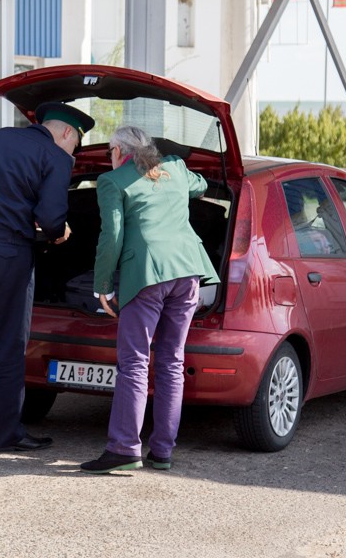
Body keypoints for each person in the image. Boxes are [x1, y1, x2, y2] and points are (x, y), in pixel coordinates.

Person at [0, 100, 94, 452]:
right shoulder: (57, 157)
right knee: (8, 342)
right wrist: (60, 232)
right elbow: (51, 217)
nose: (74, 151)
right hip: (8, 252)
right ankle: (8, 432)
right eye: (76, 143)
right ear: (66, 132)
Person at [79, 125, 217, 474]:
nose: (107, 157)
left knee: (135, 362)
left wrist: (102, 286)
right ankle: (163, 451)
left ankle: (125, 448)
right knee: (171, 361)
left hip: (146, 277)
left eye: (109, 151)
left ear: (119, 151)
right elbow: (201, 186)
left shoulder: (113, 182)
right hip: (187, 273)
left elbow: (111, 236)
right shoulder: (175, 167)